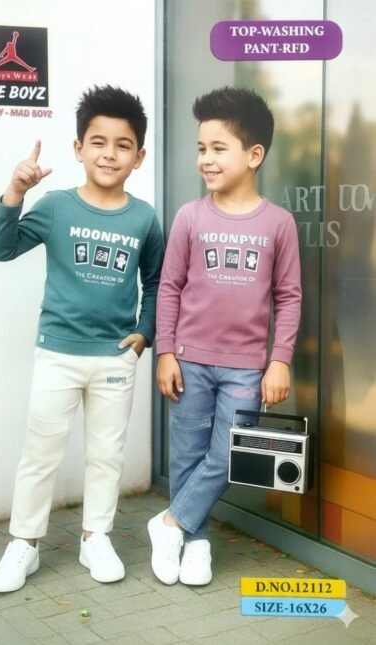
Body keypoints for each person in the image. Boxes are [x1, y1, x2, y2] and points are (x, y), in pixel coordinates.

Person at [0, 85, 164, 592]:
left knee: (106, 454)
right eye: (98, 142)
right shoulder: (56, 206)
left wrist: (144, 333)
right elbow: (2, 248)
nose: (109, 154)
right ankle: (23, 544)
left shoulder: (144, 217)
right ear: (78, 148)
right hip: (58, 354)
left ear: (139, 156)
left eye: (122, 145)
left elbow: (155, 281)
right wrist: (15, 191)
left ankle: (96, 537)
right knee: (40, 452)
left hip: (115, 358)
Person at [148, 87, 302, 586]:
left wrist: (279, 360)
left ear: (254, 154)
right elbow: (169, 287)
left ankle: (169, 523)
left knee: (228, 454)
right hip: (189, 360)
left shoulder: (278, 223)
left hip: (246, 367)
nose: (206, 160)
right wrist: (166, 351)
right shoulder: (190, 217)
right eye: (201, 149)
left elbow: (289, 297)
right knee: (187, 455)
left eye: (218, 148)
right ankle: (195, 543)